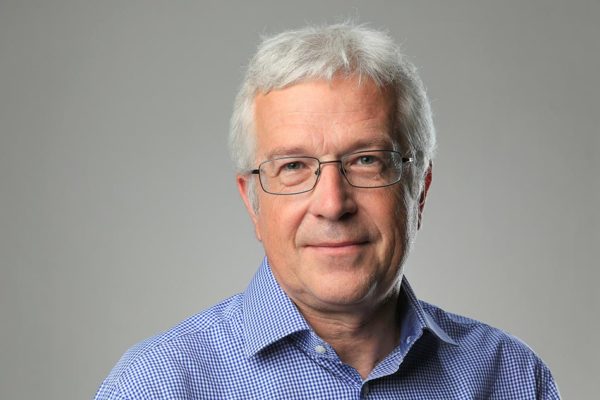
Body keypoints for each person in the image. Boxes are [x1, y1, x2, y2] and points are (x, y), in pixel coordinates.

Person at [95, 23, 560, 399]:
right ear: (252, 202)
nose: (333, 204)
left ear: (419, 189)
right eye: (294, 167)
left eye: (366, 160)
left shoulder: (512, 379)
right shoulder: (155, 387)